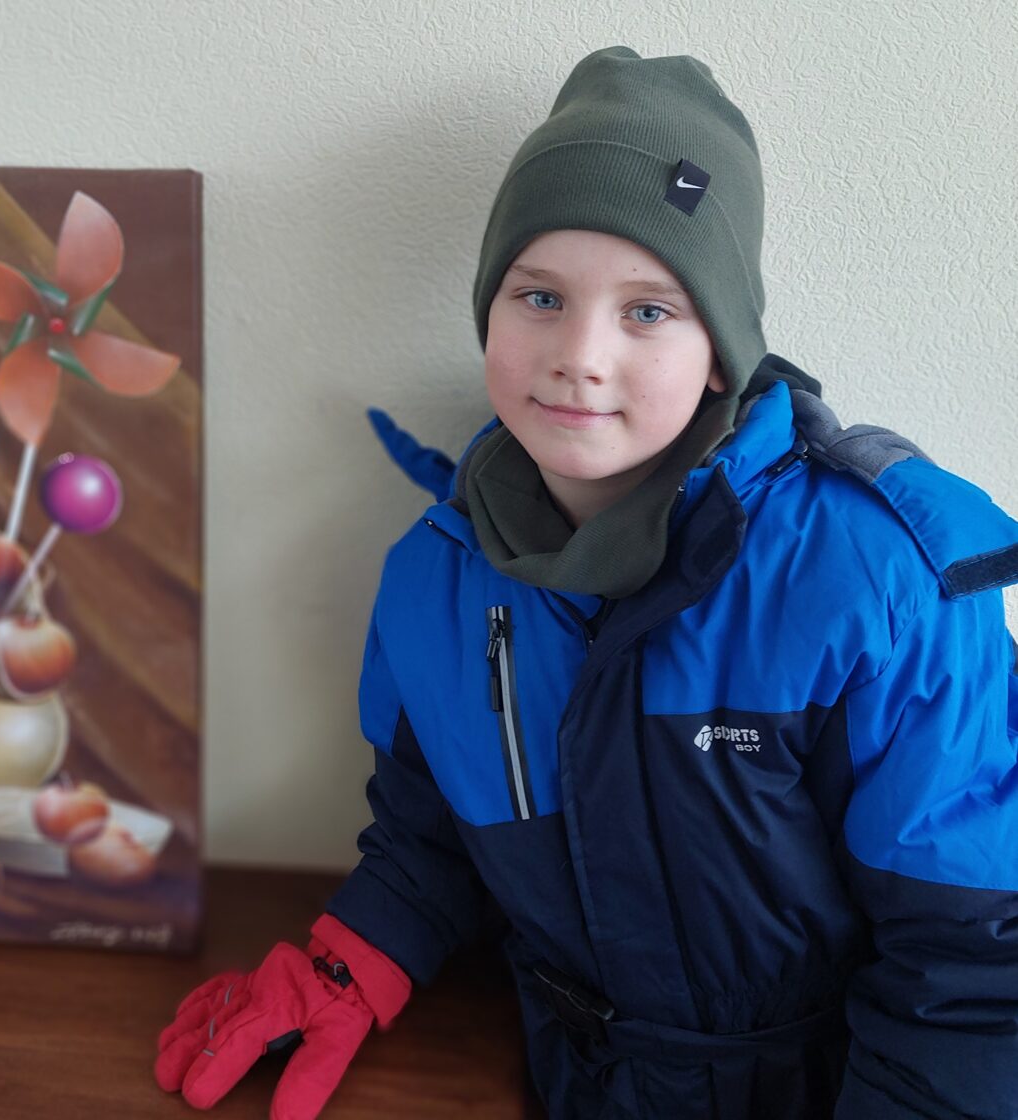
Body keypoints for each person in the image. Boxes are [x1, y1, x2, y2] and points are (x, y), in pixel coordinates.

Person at [154, 45, 1018, 1119]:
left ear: (723, 350)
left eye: (648, 310)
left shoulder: (872, 581)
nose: (580, 354)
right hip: (570, 1080)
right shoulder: (438, 580)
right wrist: (353, 958)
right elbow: (434, 839)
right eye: (540, 296)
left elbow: (972, 959)